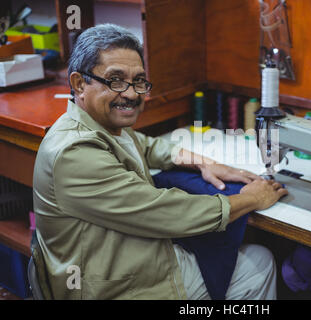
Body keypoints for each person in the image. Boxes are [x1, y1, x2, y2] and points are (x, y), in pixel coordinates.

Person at [32, 23, 288, 300]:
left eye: (138, 81)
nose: (131, 93)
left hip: (120, 255)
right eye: (115, 80)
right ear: (79, 84)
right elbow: (168, 212)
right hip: (112, 287)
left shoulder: (97, 124)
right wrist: (253, 199)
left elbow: (145, 145)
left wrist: (202, 162)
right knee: (258, 266)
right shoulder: (75, 153)